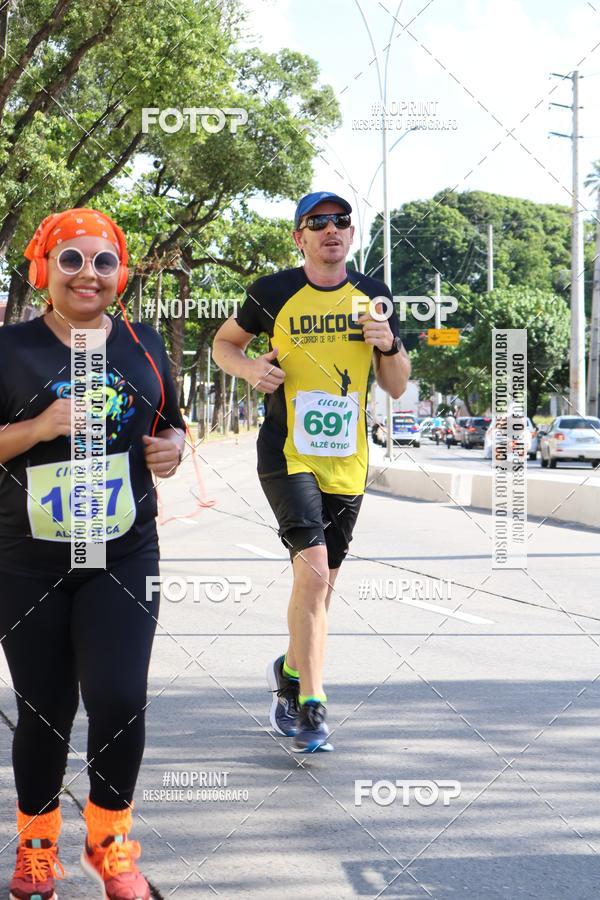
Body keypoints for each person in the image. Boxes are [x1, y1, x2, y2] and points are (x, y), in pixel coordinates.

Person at [0, 208, 185, 900]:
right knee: (44, 709)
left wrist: (174, 448)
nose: (88, 274)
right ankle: (37, 850)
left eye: (103, 261)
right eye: (70, 259)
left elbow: (170, 427)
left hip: (123, 554)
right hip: (26, 561)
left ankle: (110, 844)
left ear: (121, 273)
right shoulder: (10, 349)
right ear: (42, 270)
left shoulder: (144, 344)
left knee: (120, 698)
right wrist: (39, 426)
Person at [213, 191, 410, 752]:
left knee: (321, 587)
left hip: (347, 460)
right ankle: (312, 705)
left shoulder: (374, 295)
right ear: (299, 237)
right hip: (287, 453)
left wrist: (389, 343)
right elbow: (224, 344)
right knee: (316, 573)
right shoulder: (272, 292)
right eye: (317, 222)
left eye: (340, 221)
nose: (331, 229)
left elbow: (397, 385)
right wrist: (249, 368)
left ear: (351, 233)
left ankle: (290, 671)